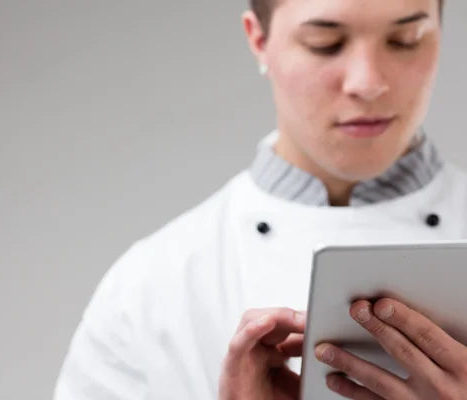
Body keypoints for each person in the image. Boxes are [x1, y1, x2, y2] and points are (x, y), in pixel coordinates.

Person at [55, 0, 467, 398]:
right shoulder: (149, 289)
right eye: (325, 43)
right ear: (259, 40)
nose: (368, 82)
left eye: (406, 38)